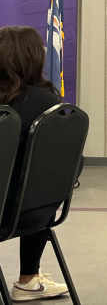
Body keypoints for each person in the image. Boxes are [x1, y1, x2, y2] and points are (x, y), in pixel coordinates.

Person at [0, 26, 69, 302]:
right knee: (34, 186)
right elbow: (66, 165)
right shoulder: (47, 101)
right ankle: (28, 280)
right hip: (35, 213)